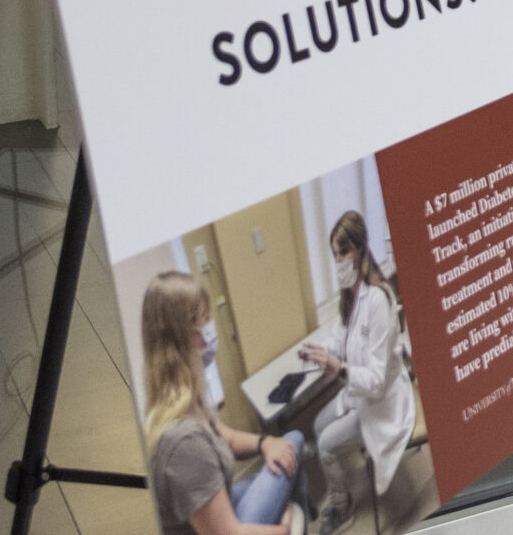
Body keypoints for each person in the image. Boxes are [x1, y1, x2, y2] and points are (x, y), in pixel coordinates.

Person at [139, 270, 305, 535]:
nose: (210, 331)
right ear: (191, 335)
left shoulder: (184, 400)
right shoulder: (183, 443)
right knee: (295, 443)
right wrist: (287, 527)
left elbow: (220, 435)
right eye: (205, 321)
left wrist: (266, 443)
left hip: (217, 516)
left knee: (288, 447)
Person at [300, 210, 418, 531]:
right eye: (334, 253)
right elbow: (343, 336)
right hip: (360, 393)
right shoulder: (351, 296)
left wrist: (339, 369)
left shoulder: (378, 300)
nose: (337, 260)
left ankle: (343, 506)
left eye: (343, 252)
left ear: (360, 250)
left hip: (382, 402)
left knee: (324, 445)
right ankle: (339, 475)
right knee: (318, 423)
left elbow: (377, 382)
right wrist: (322, 351)